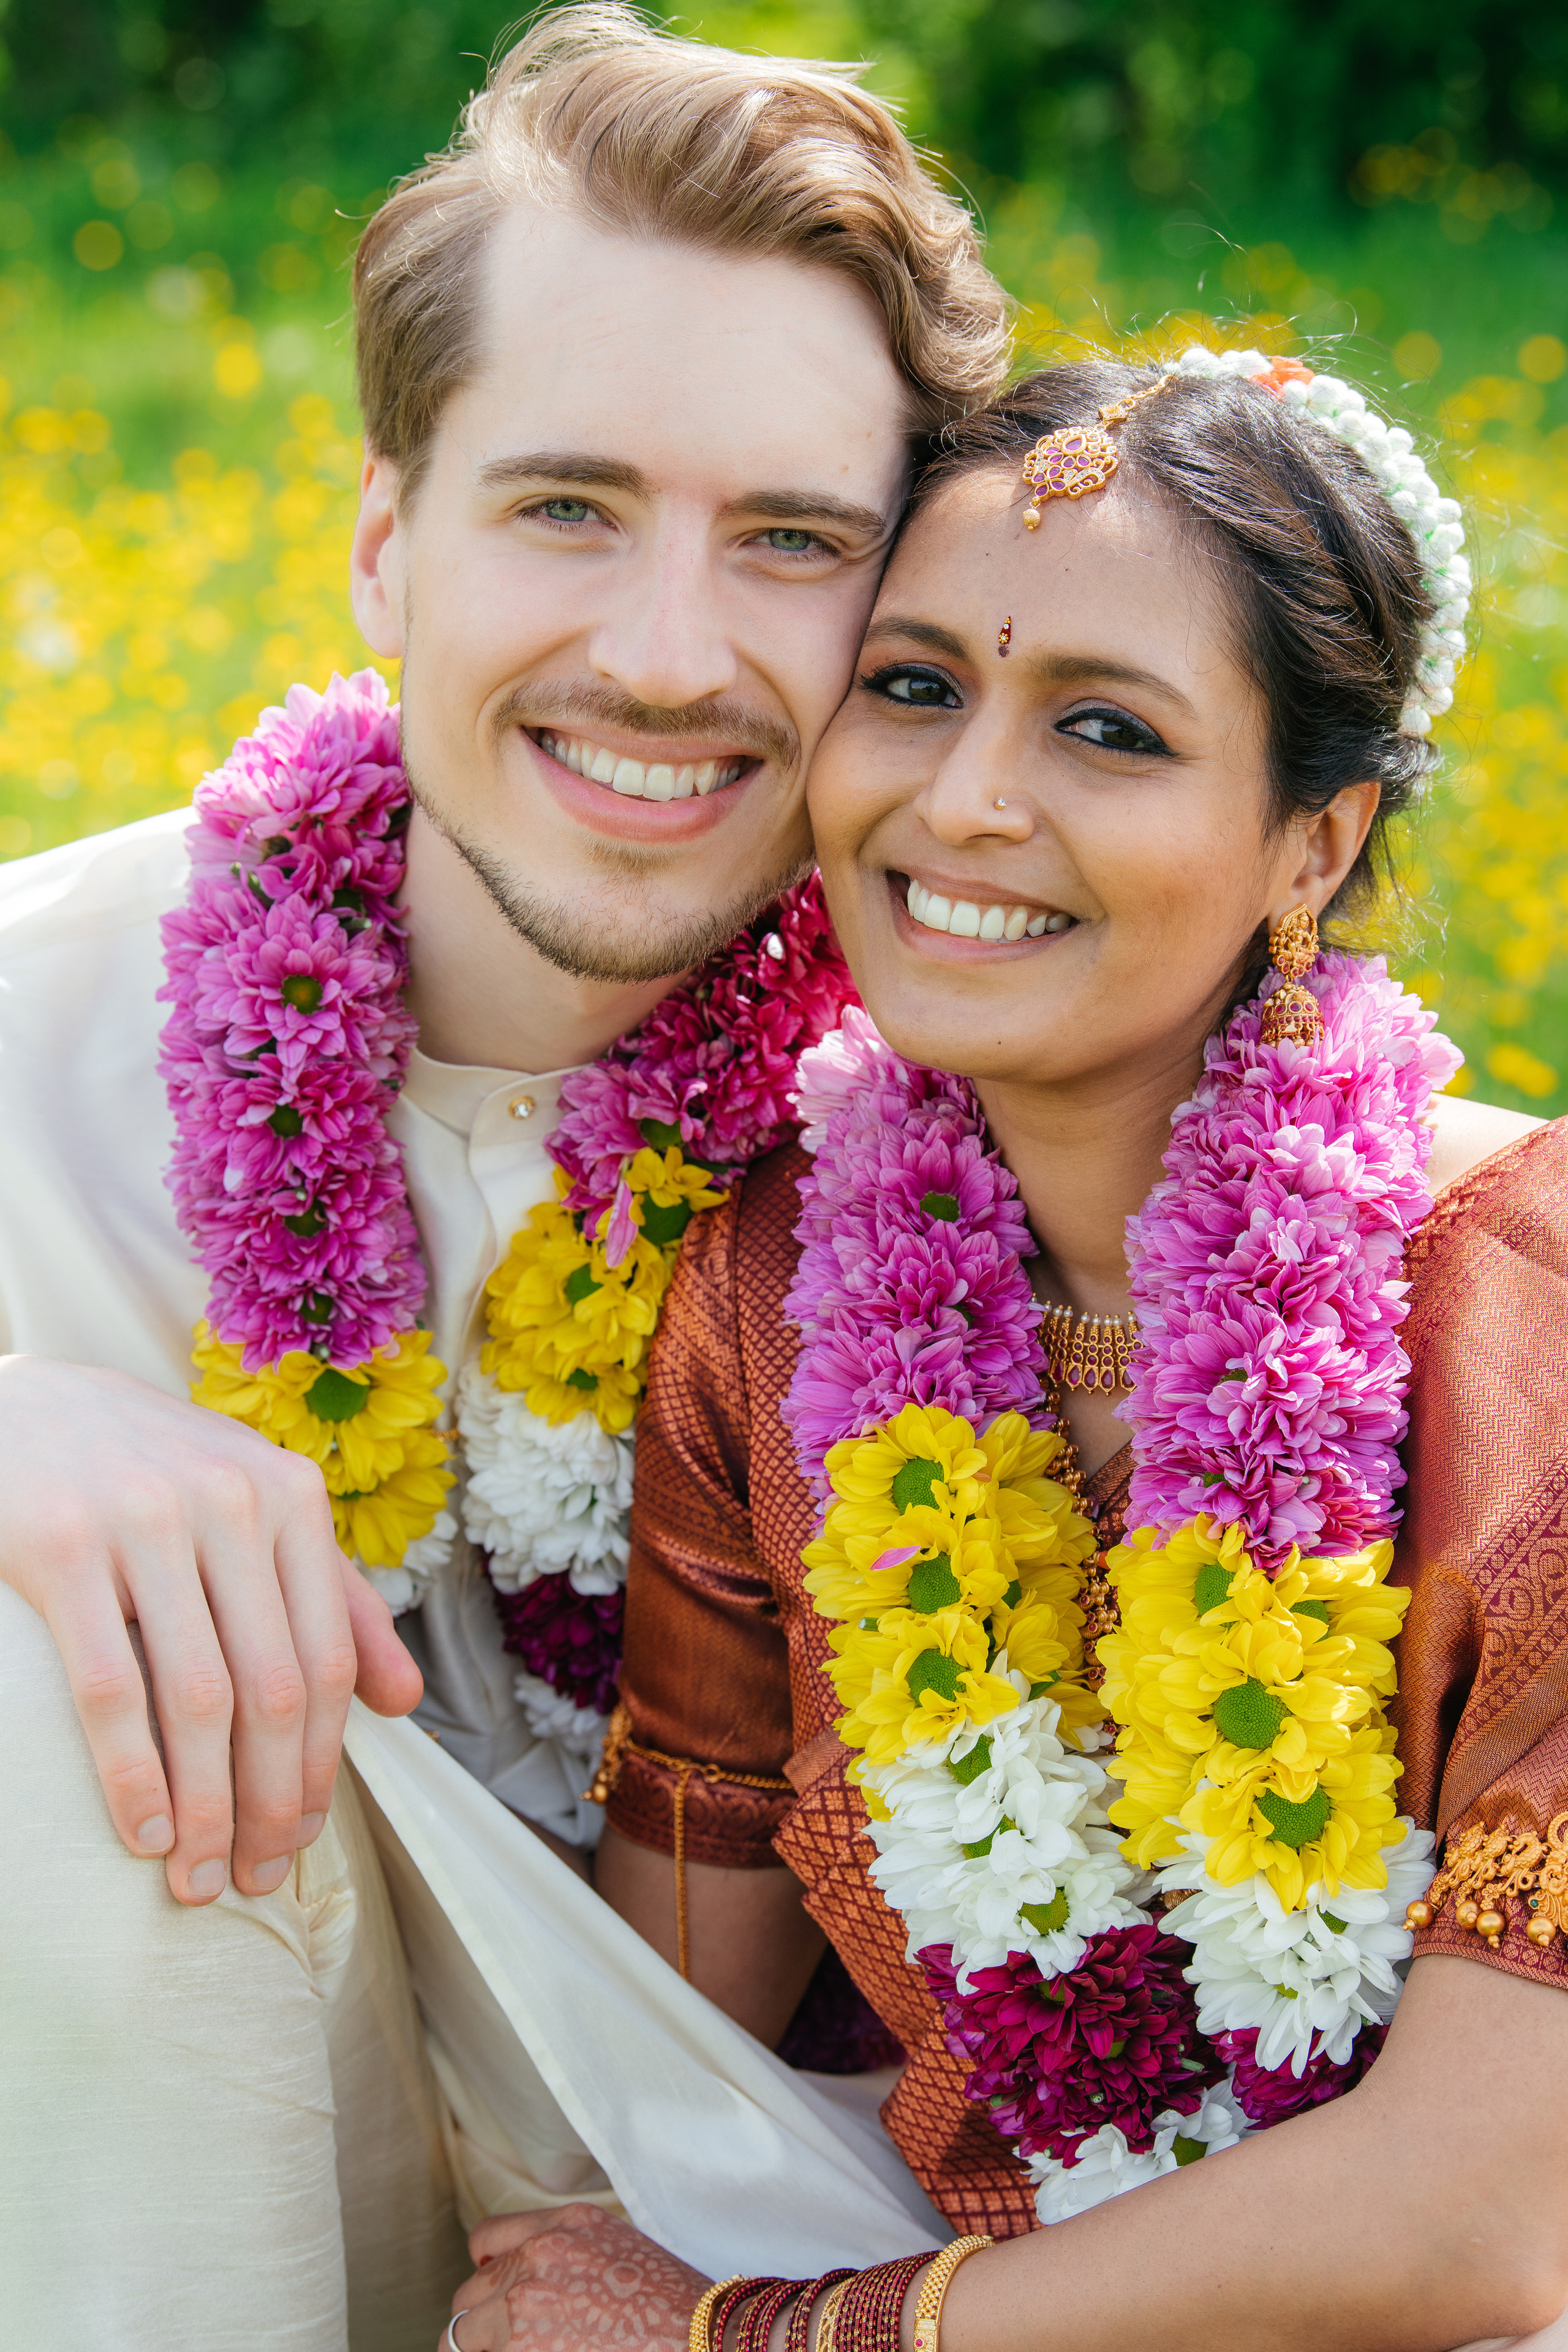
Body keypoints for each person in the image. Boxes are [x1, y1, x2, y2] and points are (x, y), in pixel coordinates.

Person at [0, 10, 1011, 2343]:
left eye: (789, 544)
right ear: (383, 540)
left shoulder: (997, 1119)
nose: (666, 659)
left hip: (811, 2229)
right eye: (567, 507)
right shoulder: (49, 1011)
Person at [458, 347, 1568, 2351]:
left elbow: (1479, 2222)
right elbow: (667, 2032)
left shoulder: (1535, 1327)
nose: (966, 800)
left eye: (1108, 731)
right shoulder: (773, 1290)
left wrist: (784, 2343)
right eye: (913, 688)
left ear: (1314, 847)